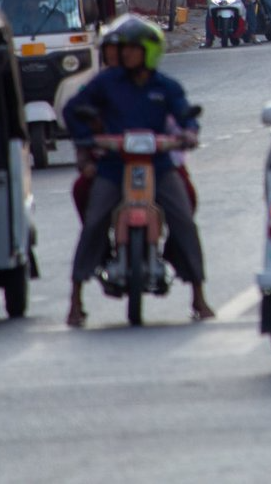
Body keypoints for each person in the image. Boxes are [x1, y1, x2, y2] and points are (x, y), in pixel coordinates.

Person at [63, 18, 211, 325]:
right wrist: (83, 139)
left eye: (131, 49)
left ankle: (198, 294)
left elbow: (185, 114)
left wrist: (189, 132)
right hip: (114, 166)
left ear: (148, 52)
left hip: (158, 165)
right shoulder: (107, 83)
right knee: (93, 222)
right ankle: (76, 299)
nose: (124, 54)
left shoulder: (166, 87)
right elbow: (73, 108)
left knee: (184, 218)